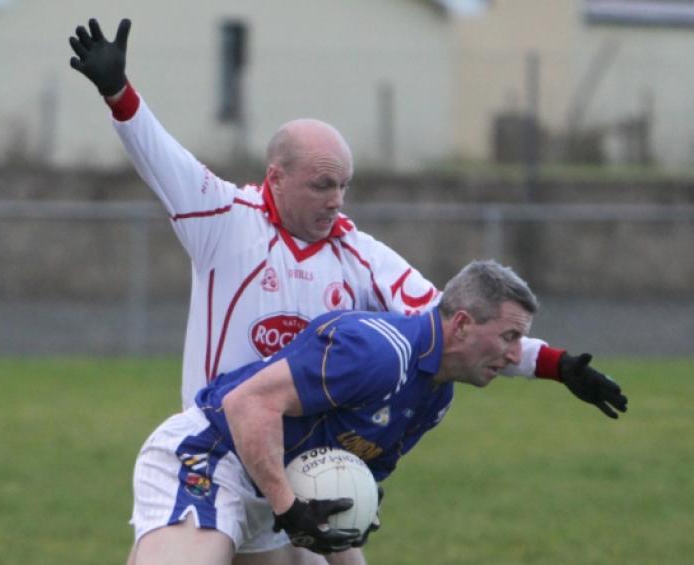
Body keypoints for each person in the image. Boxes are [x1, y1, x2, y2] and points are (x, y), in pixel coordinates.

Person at [68, 18, 628, 564]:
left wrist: (553, 365)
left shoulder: (364, 259)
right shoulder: (223, 216)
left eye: (343, 185)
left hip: (279, 473)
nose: (336, 199)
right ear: (276, 177)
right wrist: (118, 91)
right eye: (321, 184)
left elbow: (458, 327)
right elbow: (161, 158)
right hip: (215, 445)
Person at [125, 260, 628, 564]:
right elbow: (245, 403)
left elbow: (337, 492)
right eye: (510, 336)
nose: (517, 355)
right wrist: (287, 507)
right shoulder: (378, 352)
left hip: (266, 489)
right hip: (208, 455)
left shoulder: (433, 398)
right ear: (460, 326)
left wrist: (309, 514)